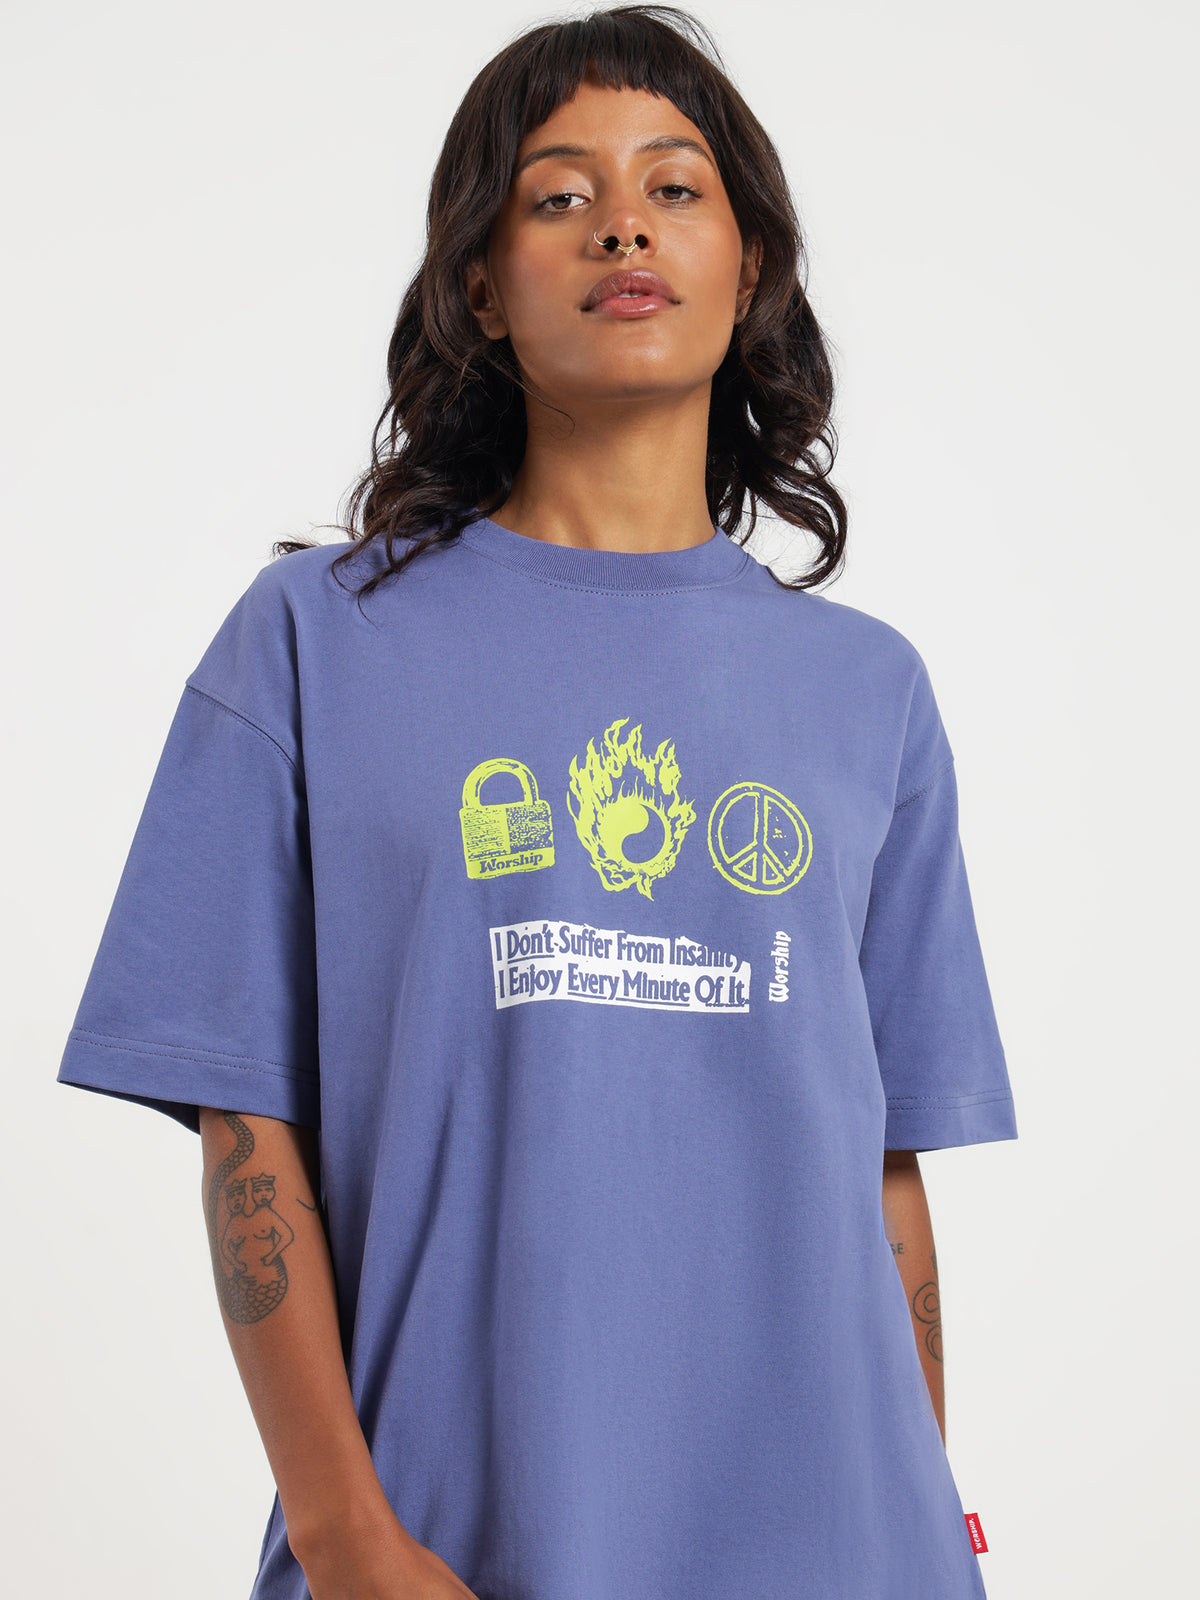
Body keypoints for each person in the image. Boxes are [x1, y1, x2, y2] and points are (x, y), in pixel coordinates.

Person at [56, 6, 1018, 1597]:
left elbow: (884, 1172)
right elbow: (244, 1125)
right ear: (481, 290)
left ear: (749, 271)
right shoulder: (312, 644)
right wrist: (345, 1540)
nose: (624, 224)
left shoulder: (870, 692)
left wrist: (930, 1520)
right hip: (453, 1545)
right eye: (560, 195)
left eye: (676, 188)